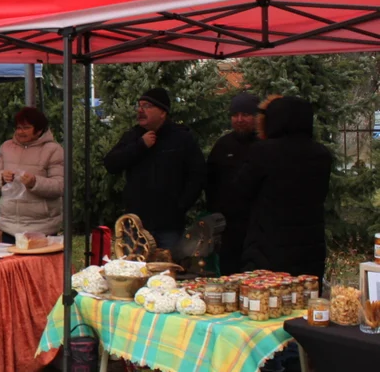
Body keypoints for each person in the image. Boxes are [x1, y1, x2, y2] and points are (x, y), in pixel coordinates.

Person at [238, 96, 332, 278]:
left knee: (267, 299)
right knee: (305, 298)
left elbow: (241, 191)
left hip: (268, 246)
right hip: (309, 247)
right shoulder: (321, 154)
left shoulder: (263, 152)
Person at [103, 88, 206, 251]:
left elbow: (197, 174)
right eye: (139, 106)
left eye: (147, 106)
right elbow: (111, 164)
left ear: (163, 112)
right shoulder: (134, 136)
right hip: (137, 226)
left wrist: (180, 206)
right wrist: (140, 146)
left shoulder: (181, 138)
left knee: (167, 272)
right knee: (136, 272)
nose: (140, 110)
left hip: (169, 226)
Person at [0, 107, 65, 238]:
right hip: (9, 225)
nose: (20, 132)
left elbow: (60, 186)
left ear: (39, 130)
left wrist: (35, 182)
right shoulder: (7, 147)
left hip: (41, 227)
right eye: (18, 128)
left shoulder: (53, 150)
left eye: (26, 128)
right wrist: (1, 177)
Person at [205, 93, 260, 275]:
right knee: (230, 275)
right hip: (228, 228)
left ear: (256, 117)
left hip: (259, 227)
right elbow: (210, 181)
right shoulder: (223, 146)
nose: (239, 119)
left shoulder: (265, 146)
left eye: (245, 115)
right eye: (235, 115)